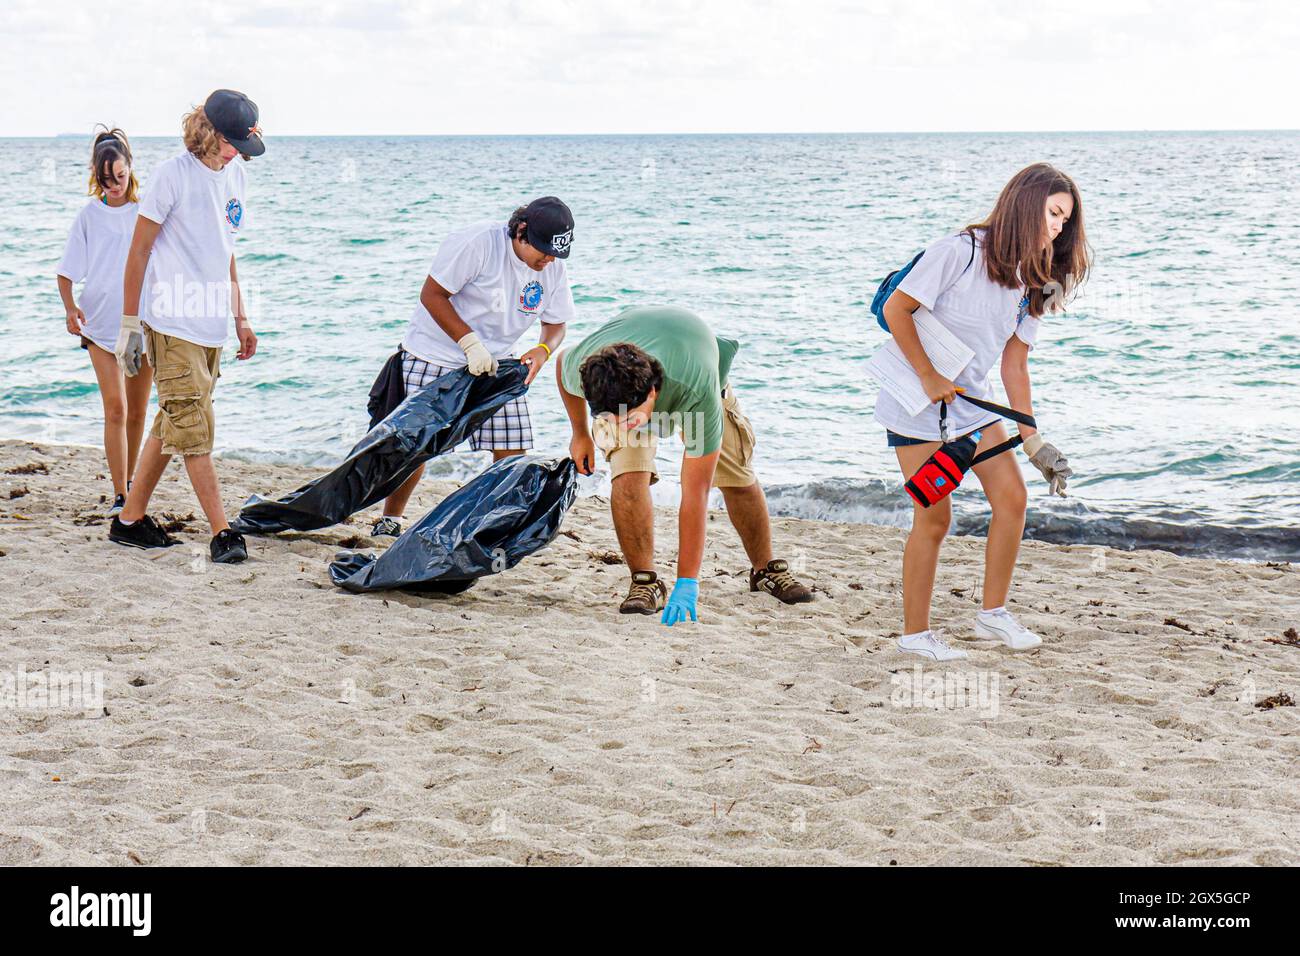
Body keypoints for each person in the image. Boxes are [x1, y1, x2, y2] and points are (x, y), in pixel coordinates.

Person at [877, 163, 1089, 660]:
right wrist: (929, 375)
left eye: (1065, 222)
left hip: (971, 407)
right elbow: (896, 310)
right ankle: (915, 635)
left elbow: (1015, 365)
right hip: (915, 406)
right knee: (934, 517)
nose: (1058, 228)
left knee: (1013, 499)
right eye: (1054, 214)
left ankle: (992, 614)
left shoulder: (1033, 280)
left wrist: (1032, 437)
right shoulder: (960, 251)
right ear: (1024, 202)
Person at [555, 305, 813, 626]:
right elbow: (562, 361)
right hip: (627, 380)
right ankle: (644, 581)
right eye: (611, 419)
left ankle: (764, 570)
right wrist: (580, 433)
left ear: (652, 393)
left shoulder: (696, 390)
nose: (624, 428)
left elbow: (695, 493)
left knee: (737, 477)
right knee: (627, 476)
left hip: (693, 372)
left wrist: (687, 582)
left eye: (630, 419)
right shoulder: (590, 371)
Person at [108, 89, 264, 564]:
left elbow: (225, 249)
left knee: (174, 419)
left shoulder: (234, 174)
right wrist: (130, 325)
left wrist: (240, 317)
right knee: (196, 428)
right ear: (209, 131)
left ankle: (129, 521)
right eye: (231, 141)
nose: (236, 151)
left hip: (212, 323)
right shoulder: (170, 175)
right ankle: (222, 533)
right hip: (171, 320)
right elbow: (138, 252)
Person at [367, 197, 576, 537]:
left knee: (512, 448)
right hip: (435, 353)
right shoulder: (478, 243)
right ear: (521, 231)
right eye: (544, 250)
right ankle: (391, 517)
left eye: (557, 253)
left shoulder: (552, 266)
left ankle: (491, 526)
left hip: (499, 361)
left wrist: (541, 351)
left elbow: (556, 325)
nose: (549, 259)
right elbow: (432, 294)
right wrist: (469, 343)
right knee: (416, 447)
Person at [56, 128, 151, 516]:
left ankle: (131, 484)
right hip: (98, 326)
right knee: (115, 408)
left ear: (131, 169)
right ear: (96, 176)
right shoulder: (89, 216)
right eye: (106, 180)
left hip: (142, 325)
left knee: (138, 412)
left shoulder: (146, 211)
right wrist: (70, 307)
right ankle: (119, 494)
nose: (114, 186)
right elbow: (66, 272)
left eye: (120, 177)